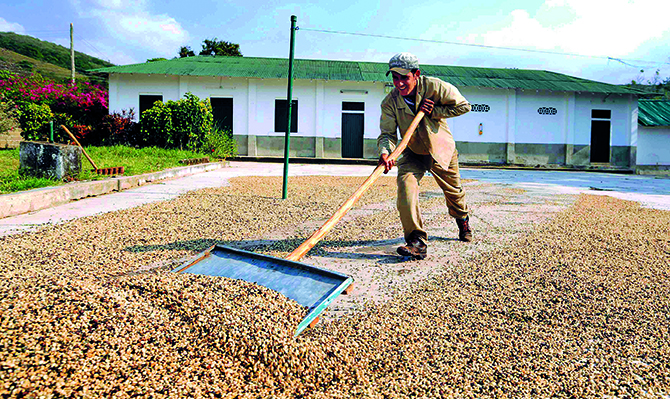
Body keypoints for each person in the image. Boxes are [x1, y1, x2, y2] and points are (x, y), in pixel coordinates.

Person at [377, 52, 472, 260]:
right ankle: (416, 241)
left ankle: (462, 220)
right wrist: (386, 153)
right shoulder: (390, 102)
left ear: (416, 74)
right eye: (395, 77)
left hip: (439, 149)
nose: (399, 83)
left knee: (454, 192)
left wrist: (435, 111)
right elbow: (387, 134)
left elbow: (464, 106)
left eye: (404, 77)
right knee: (405, 187)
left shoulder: (434, 87)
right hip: (412, 152)